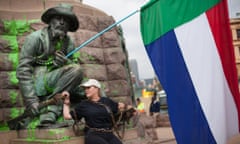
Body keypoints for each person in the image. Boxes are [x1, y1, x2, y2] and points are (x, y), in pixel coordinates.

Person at [16, 3, 84, 127]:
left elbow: (74, 63)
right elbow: (23, 70)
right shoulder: (35, 38)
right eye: (59, 18)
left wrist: (66, 62)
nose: (62, 23)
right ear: (51, 20)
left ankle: (103, 114)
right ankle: (49, 113)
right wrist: (31, 100)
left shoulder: (68, 42)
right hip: (40, 81)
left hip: (61, 79)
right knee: (76, 71)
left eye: (66, 20)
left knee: (91, 86)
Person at [63, 79, 129, 144]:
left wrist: (130, 109)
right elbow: (67, 116)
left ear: (96, 88)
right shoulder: (83, 105)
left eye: (88, 88)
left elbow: (120, 107)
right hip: (93, 135)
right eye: (85, 89)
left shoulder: (107, 101)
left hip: (109, 133)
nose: (86, 90)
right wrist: (66, 103)